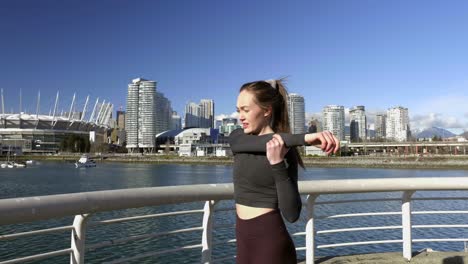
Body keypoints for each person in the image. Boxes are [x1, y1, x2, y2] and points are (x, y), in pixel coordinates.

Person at [228, 79, 339, 264]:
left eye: (246, 110)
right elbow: (256, 142)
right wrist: (305, 138)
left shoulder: (285, 152)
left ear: (266, 110)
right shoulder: (238, 138)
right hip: (243, 242)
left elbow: (291, 213)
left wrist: (278, 164)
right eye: (239, 110)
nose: (240, 116)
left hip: (270, 245)